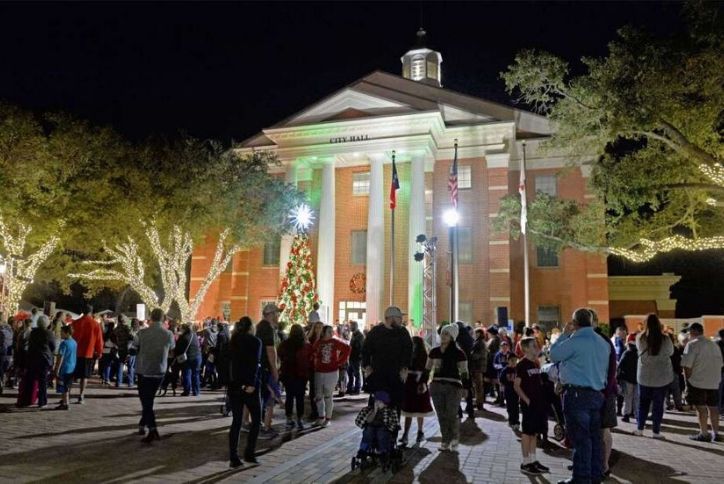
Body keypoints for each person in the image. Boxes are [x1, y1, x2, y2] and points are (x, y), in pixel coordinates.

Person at [550, 308, 610, 484]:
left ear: (575, 323)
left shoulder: (575, 340)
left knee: (581, 440)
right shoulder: (602, 342)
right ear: (591, 322)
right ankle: (594, 475)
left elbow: (553, 355)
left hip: (577, 395)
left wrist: (563, 335)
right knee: (595, 439)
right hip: (596, 394)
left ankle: (581, 479)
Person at [134, 308, 175, 443]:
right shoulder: (168, 334)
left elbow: (134, 348)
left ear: (151, 317)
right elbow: (171, 349)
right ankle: (144, 424)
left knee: (146, 400)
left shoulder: (142, 332)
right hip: (159, 369)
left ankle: (152, 429)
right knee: (148, 400)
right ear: (163, 318)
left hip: (144, 369)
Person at [228, 316, 263, 468]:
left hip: (234, 385)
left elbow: (230, 363)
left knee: (236, 421)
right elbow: (255, 363)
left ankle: (233, 457)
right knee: (256, 420)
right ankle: (249, 452)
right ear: (251, 328)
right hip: (250, 386)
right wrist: (251, 383)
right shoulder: (255, 342)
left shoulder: (232, 341)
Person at [427, 323, 468, 451]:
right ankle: (445, 440)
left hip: (453, 386)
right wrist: (424, 383)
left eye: (447, 334)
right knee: (441, 414)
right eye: (443, 333)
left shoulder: (459, 353)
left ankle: (454, 437)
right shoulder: (434, 351)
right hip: (436, 385)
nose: (443, 336)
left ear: (452, 337)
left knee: (451, 413)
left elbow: (464, 371)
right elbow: (427, 368)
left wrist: (466, 387)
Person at [362, 306, 412, 407]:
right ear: (391, 318)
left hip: (397, 376)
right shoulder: (376, 332)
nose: (401, 320)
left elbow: (408, 351)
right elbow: (365, 350)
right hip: (379, 376)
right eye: (399, 318)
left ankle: (394, 422)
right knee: (380, 405)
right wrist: (367, 366)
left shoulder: (403, 332)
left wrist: (405, 367)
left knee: (395, 405)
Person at [634, 314, 673, 439]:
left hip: (644, 376)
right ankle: (656, 431)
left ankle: (640, 428)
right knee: (658, 404)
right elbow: (671, 352)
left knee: (643, 404)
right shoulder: (665, 339)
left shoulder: (640, 338)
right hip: (661, 377)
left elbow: (639, 351)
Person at [682, 322, 723, 442]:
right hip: (714, 382)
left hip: (697, 382)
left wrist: (687, 381)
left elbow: (686, 366)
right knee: (713, 408)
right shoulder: (714, 345)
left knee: (700, 408)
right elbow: (720, 364)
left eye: (689, 333)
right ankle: (716, 433)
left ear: (693, 332)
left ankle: (704, 433)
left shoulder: (692, 345)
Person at [515, 337, 550, 476]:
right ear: (526, 349)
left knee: (535, 432)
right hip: (529, 403)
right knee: (527, 432)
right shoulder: (522, 364)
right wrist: (527, 400)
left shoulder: (535, 363)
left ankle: (533, 460)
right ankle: (525, 462)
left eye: (536, 345)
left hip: (538, 402)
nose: (537, 348)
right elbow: (516, 386)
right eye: (533, 346)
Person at [312, 324, 351, 427]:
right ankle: (321, 416)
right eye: (328, 331)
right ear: (324, 332)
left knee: (328, 395)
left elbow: (347, 348)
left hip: (331, 372)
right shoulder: (319, 342)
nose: (331, 333)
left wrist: (339, 362)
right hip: (319, 371)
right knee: (319, 395)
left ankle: (328, 418)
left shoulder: (335, 342)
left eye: (331, 331)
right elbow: (313, 352)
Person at [399, 336, 434, 446]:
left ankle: (418, 432)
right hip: (410, 383)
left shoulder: (423, 355)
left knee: (419, 409)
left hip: (416, 383)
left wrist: (423, 382)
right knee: (410, 409)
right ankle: (407, 434)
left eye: (414, 343)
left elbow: (427, 371)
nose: (413, 346)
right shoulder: (409, 355)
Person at [278, 323, 312, 430]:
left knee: (289, 396)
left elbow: (280, 355)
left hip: (288, 374)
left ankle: (289, 418)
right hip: (301, 374)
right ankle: (300, 419)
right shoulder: (305, 345)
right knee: (300, 397)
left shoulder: (285, 344)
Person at [256, 303, 282, 437]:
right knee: (270, 397)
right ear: (271, 314)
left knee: (264, 396)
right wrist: (274, 369)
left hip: (261, 366)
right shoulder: (268, 329)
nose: (278, 316)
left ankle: (259, 423)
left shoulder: (261, 326)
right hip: (266, 368)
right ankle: (266, 427)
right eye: (277, 313)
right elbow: (270, 350)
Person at [71, 305, 104, 404]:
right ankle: (81, 395)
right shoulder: (95, 324)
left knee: (72, 375)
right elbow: (99, 340)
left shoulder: (75, 322)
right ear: (91, 312)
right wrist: (99, 351)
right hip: (88, 352)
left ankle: (67, 394)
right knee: (84, 376)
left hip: (75, 352)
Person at [22, 315, 55, 408]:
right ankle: (42, 401)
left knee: (31, 379)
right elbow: (52, 346)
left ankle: (28, 400)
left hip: (33, 357)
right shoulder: (49, 333)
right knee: (42, 381)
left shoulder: (33, 332)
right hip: (44, 359)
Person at [52, 324, 77, 410]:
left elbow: (60, 357)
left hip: (64, 367)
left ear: (67, 333)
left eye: (62, 332)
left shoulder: (64, 343)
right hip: (72, 366)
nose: (60, 334)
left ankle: (65, 403)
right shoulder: (74, 342)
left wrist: (56, 369)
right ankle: (65, 401)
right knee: (68, 385)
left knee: (63, 386)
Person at [616, 333, 639, 422]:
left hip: (627, 379)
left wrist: (618, 377)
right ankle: (637, 416)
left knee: (628, 397)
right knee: (637, 398)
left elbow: (620, 365)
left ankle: (626, 415)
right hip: (637, 379)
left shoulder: (626, 353)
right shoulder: (640, 353)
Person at [177, 323, 202, 397]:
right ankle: (196, 391)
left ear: (184, 329)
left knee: (186, 374)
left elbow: (179, 348)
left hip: (187, 358)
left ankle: (187, 391)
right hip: (197, 357)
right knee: (196, 374)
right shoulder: (194, 335)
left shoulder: (183, 337)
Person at [469, 327, 488, 411]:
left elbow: (480, 354)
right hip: (478, 366)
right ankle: (478, 402)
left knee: (478, 386)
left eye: (475, 332)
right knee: (477, 386)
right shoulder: (478, 342)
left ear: (479, 333)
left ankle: (479, 403)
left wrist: (471, 355)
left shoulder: (480, 342)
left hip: (478, 367)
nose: (474, 334)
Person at [114, 316, 134, 387]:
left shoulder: (116, 329)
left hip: (120, 348)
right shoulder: (127, 327)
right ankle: (130, 382)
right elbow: (132, 336)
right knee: (130, 366)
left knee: (120, 364)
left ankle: (118, 382)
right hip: (128, 348)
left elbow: (114, 337)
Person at [502, 354, 520, 431]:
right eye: (512, 360)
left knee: (516, 407)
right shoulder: (505, 370)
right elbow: (502, 380)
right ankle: (511, 420)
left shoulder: (517, 370)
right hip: (508, 391)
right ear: (508, 361)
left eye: (515, 360)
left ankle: (516, 421)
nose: (514, 362)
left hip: (516, 391)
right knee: (510, 407)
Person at [346, 320, 364, 395]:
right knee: (350, 373)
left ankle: (357, 389)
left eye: (351, 326)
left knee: (356, 374)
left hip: (356, 357)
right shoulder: (353, 334)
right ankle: (350, 387)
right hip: (352, 357)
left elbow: (360, 347)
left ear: (355, 326)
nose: (350, 328)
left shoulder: (360, 335)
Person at [493, 340, 512, 406]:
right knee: (501, 387)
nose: (504, 348)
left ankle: (509, 400)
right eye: (503, 347)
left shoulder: (510, 354)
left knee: (509, 387)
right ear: (500, 347)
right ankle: (501, 401)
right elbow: (495, 364)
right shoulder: (498, 355)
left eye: (505, 346)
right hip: (500, 373)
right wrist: (500, 366)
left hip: (509, 374)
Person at [0, 315, 13, 395]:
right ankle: (1, 383)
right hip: (5, 351)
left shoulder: (4, 329)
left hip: (3, 350)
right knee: (1, 368)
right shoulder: (8, 329)